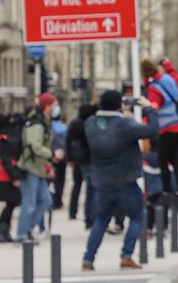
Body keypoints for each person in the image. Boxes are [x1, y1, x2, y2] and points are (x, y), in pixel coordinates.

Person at [81, 90, 156, 271]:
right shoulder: (124, 125)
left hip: (102, 180)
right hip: (125, 179)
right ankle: (126, 255)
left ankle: (88, 259)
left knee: (101, 220)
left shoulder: (90, 124)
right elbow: (152, 130)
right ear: (119, 105)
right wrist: (148, 110)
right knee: (138, 216)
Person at [16, 93, 61, 243]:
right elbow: (35, 146)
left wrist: (48, 164)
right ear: (47, 106)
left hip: (39, 167)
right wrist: (52, 154)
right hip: (30, 167)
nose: (56, 109)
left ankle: (28, 229)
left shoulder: (43, 121)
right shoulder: (36, 123)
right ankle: (22, 234)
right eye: (54, 106)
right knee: (29, 203)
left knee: (45, 200)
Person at [140, 57, 178, 198]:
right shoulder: (168, 79)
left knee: (163, 159)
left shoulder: (154, 88)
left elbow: (154, 106)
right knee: (176, 158)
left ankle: (166, 190)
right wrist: (168, 65)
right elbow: (177, 79)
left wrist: (145, 107)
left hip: (168, 127)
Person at [0, 113, 24, 243]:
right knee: (11, 203)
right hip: (4, 177)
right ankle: (1, 229)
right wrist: (14, 176)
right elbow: (6, 160)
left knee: (11, 203)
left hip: (2, 176)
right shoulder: (2, 139)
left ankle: (3, 229)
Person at [66, 104, 96, 228]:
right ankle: (89, 217)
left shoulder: (73, 124)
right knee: (90, 190)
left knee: (76, 186)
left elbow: (68, 142)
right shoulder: (89, 125)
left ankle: (72, 212)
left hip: (77, 159)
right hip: (88, 159)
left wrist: (70, 158)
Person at [49, 106, 67, 210]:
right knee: (61, 180)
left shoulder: (49, 127)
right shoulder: (63, 127)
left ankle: (54, 200)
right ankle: (59, 199)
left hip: (53, 156)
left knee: (53, 180)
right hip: (63, 156)